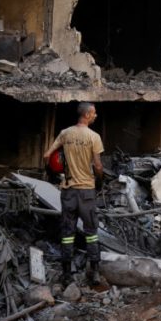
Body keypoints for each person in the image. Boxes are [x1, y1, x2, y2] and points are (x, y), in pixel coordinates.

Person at [43, 102, 104, 286]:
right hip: (87, 191)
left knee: (67, 233)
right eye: (93, 113)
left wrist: (54, 173)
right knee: (91, 232)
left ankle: (67, 274)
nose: (95, 116)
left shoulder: (65, 133)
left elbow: (47, 156)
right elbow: (98, 166)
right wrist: (99, 182)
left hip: (68, 191)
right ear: (86, 115)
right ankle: (94, 272)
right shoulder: (94, 137)